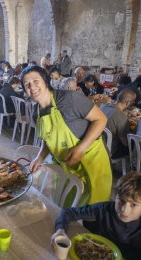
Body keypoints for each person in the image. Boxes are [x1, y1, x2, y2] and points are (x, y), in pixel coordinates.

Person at [21, 66, 112, 206]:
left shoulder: (70, 99)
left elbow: (101, 119)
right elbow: (48, 139)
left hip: (92, 162)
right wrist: (39, 157)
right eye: (27, 84)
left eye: (35, 81)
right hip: (67, 166)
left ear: (45, 81)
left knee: (93, 211)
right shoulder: (36, 113)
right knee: (66, 208)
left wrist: (81, 148)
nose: (32, 87)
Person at [100, 89, 136, 158]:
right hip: (109, 150)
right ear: (127, 103)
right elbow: (125, 142)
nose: (132, 104)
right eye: (132, 103)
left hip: (96, 143)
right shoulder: (122, 118)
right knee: (133, 145)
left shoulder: (103, 106)